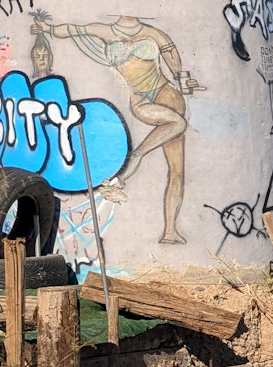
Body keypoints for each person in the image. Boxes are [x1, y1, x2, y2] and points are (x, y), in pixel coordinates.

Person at [32, 14, 203, 244]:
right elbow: (73, 29)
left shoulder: (153, 33)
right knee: (178, 124)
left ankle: (170, 230)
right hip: (141, 99)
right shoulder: (104, 30)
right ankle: (137, 155)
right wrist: (48, 29)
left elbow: (175, 63)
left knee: (177, 169)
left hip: (167, 94)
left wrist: (183, 80)